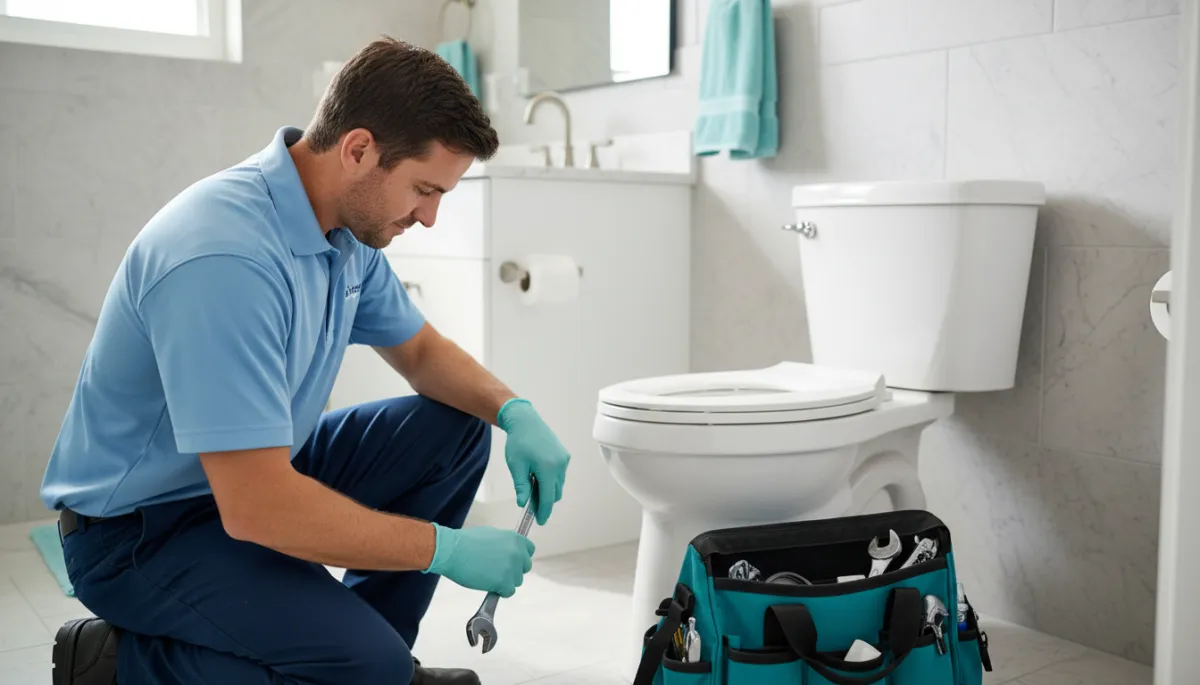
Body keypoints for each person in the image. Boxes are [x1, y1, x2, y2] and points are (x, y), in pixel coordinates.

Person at [39, 37, 570, 685]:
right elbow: (258, 507)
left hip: (246, 477)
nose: (429, 217)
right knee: (359, 664)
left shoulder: (345, 232)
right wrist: (444, 549)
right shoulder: (224, 258)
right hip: (141, 532)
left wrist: (515, 412)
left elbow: (422, 351)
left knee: (452, 432)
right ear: (358, 149)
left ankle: (376, 665)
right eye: (424, 190)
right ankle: (119, 664)